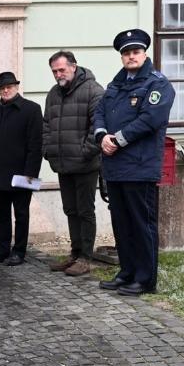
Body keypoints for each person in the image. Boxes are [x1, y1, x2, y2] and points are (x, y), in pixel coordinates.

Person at [94, 29, 175, 296]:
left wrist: (117, 139)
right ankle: (127, 272)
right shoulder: (116, 84)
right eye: (126, 53)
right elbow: (100, 112)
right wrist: (101, 135)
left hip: (140, 166)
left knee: (142, 224)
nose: (131, 56)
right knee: (122, 223)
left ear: (145, 54)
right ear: (121, 57)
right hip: (115, 166)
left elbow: (150, 120)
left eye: (135, 51)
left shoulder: (157, 84)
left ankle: (145, 278)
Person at [42, 52, 105, 276]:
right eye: (54, 71)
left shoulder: (93, 90)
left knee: (85, 210)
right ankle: (75, 252)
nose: (58, 75)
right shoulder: (53, 93)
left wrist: (83, 152)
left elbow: (98, 127)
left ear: (74, 66)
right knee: (70, 209)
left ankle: (86, 257)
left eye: (61, 70)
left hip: (86, 164)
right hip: (62, 163)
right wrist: (48, 150)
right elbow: (47, 126)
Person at [0, 72, 42, 266]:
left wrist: (31, 173)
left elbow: (36, 145)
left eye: (9, 86)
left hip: (22, 173)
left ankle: (19, 251)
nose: (5, 90)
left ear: (16, 87)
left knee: (21, 214)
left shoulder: (31, 109)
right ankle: (2, 250)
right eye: (2, 87)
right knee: (2, 214)